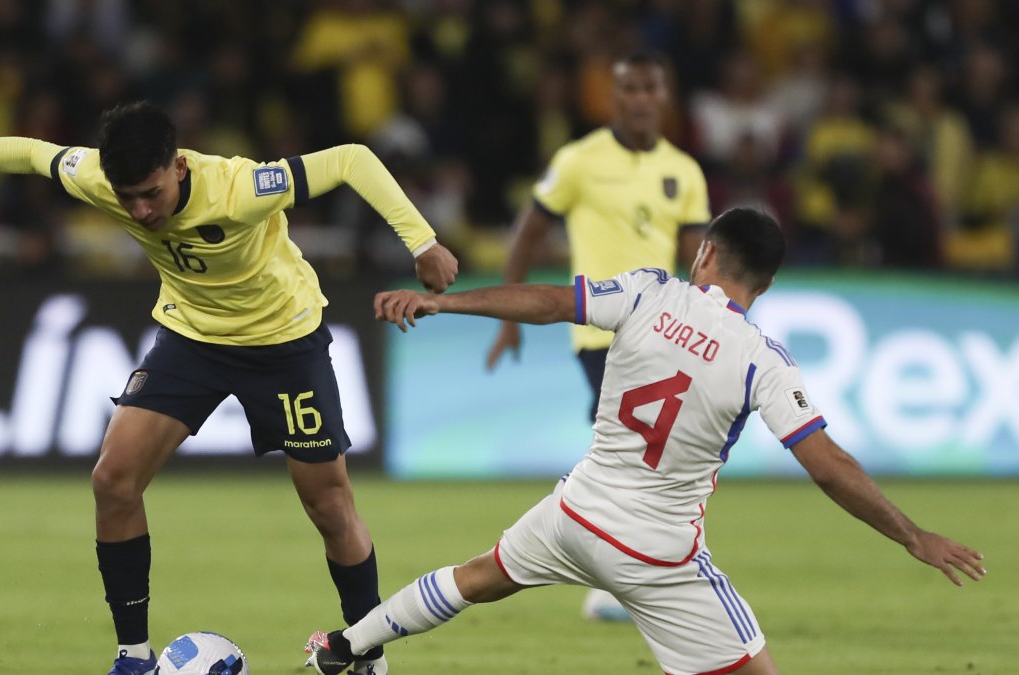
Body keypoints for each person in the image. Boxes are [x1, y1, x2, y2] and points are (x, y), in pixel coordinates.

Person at [0, 101, 458, 675]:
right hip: (192, 338)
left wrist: (422, 243)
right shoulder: (101, 179)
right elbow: (32, 153)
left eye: (151, 193)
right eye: (128, 198)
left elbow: (353, 158)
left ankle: (367, 658)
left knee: (330, 507)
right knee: (113, 478)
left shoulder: (240, 187)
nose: (141, 210)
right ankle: (132, 657)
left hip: (283, 344)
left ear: (178, 166)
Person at [304, 208, 984, 675]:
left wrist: (445, 302)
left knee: (475, 576)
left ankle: (346, 642)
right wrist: (914, 536)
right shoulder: (762, 360)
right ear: (766, 284)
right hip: (658, 556)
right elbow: (829, 467)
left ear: (705, 253)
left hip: (574, 514)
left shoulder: (647, 291)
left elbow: (548, 303)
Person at [486, 51, 710, 622]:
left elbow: (698, 259)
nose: (639, 99)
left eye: (649, 88)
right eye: (628, 89)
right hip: (599, 333)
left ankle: (621, 573)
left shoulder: (684, 171)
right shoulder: (579, 161)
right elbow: (529, 231)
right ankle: (619, 578)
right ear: (613, 98)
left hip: (665, 332)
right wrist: (510, 316)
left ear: (664, 96)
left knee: (651, 455)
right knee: (632, 454)